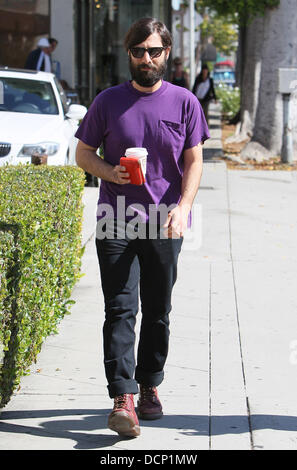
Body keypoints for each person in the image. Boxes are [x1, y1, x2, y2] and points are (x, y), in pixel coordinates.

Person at [75, 17, 210, 438]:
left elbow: (194, 161)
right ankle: (122, 397)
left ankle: (150, 384)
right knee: (119, 308)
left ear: (166, 53)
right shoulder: (108, 102)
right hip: (115, 219)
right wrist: (107, 171)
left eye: (154, 51)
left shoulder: (185, 102)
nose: (146, 58)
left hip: (164, 222)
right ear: (128, 54)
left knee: (158, 312)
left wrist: (184, 207)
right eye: (139, 51)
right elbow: (82, 153)